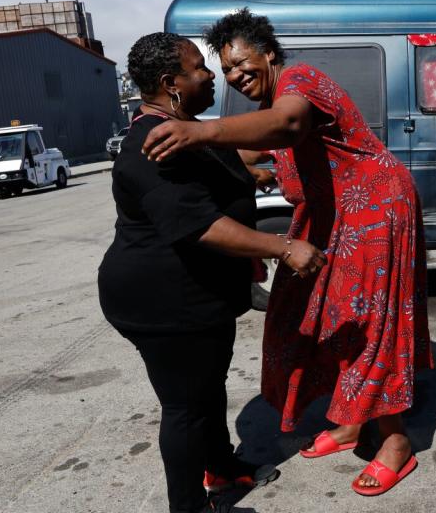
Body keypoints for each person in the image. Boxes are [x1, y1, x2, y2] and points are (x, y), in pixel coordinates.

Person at [141, 10, 432, 497]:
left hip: (377, 210)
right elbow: (261, 152)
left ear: (269, 53)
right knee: (307, 316)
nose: (234, 75)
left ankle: (396, 441)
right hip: (336, 216)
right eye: (226, 68)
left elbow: (288, 125)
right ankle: (350, 420)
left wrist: (200, 131)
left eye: (241, 62)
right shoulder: (276, 97)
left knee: (369, 324)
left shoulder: (300, 81)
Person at [98, 32, 327, 513]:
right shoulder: (153, 143)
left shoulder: (183, 126)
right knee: (185, 406)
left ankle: (222, 468)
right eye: (200, 67)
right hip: (162, 299)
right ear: (170, 83)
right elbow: (198, 225)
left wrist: (259, 170)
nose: (210, 76)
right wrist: (282, 248)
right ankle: (188, 506)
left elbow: (223, 153)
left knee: (206, 389)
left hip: (196, 294)